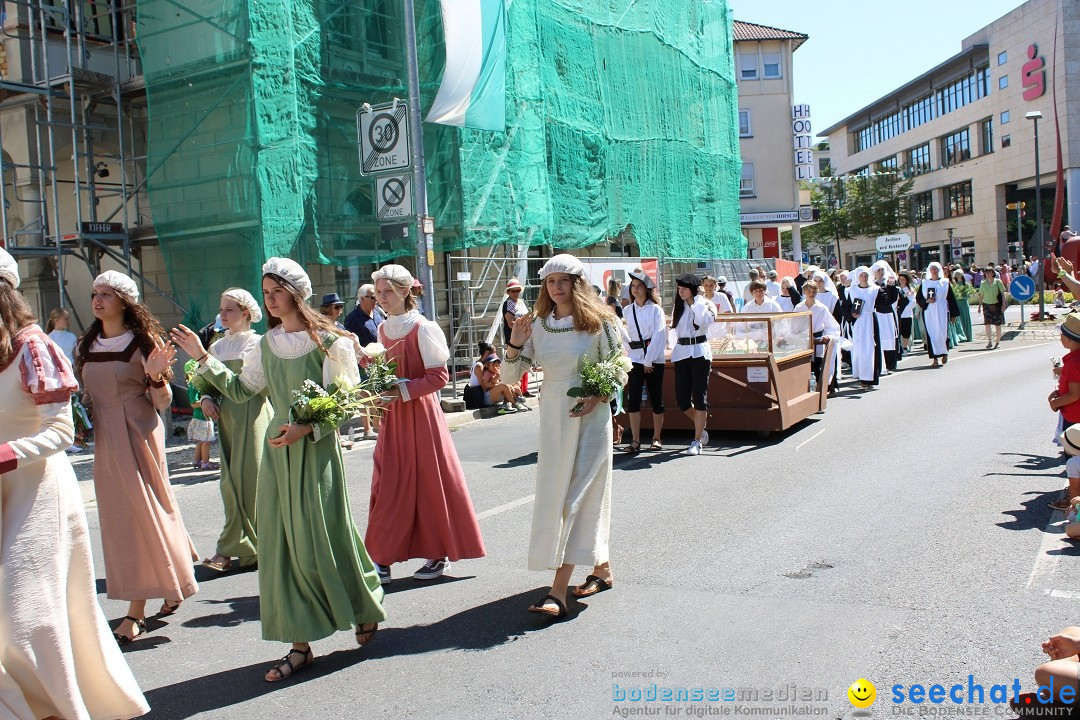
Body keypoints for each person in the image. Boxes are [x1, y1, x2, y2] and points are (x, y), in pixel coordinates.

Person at [172, 257, 385, 682]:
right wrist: (200, 358)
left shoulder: (330, 341)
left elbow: (345, 401)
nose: (270, 300)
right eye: (265, 293)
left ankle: (362, 603)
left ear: (296, 293)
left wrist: (306, 427)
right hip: (277, 451)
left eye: (276, 292)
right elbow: (239, 390)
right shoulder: (264, 345)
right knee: (283, 543)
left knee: (326, 534)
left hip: (315, 450)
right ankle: (300, 643)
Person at [0, 250, 150, 720]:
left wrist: (8, 454)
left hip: (37, 491)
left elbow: (62, 431)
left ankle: (59, 708)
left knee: (22, 615)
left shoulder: (33, 345)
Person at [76, 270, 199, 645]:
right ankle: (172, 576)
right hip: (105, 437)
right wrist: (80, 419)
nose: (98, 300)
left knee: (140, 514)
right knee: (120, 518)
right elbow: (86, 392)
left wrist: (156, 376)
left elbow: (161, 402)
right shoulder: (87, 343)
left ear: (124, 301)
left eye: (107, 294)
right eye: (95, 293)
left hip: (139, 431)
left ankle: (135, 611)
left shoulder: (144, 342)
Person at [503, 254, 622, 618]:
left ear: (577, 283)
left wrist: (598, 395)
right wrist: (514, 343)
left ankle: (558, 591)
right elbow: (510, 377)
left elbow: (620, 369)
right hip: (554, 417)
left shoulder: (601, 322)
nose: (556, 287)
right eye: (551, 281)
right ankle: (601, 567)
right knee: (559, 497)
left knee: (576, 498)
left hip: (591, 417)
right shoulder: (537, 324)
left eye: (563, 280)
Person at [365, 264, 486, 585]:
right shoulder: (382, 330)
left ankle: (436, 554)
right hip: (394, 417)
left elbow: (439, 377)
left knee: (429, 484)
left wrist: (400, 390)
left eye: (387, 291)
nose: (382, 297)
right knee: (387, 483)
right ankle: (381, 557)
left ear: (405, 291)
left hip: (420, 417)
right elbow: (384, 372)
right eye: (378, 292)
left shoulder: (424, 327)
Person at [198, 288, 273, 573]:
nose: (222, 315)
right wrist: (206, 397)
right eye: (221, 309)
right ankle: (239, 546)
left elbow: (262, 385)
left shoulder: (258, 343)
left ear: (245, 313)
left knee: (252, 481)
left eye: (229, 310)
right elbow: (204, 380)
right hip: (227, 417)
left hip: (254, 415)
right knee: (229, 482)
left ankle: (244, 546)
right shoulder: (216, 347)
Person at [621, 270, 666, 453]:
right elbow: (626, 334)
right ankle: (635, 440)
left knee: (656, 399)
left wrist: (649, 360)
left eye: (639, 286)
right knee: (633, 400)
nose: (635, 289)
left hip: (653, 358)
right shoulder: (627, 310)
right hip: (635, 358)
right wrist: (629, 351)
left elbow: (659, 335)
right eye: (633, 286)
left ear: (647, 289)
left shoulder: (655, 309)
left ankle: (656, 438)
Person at [671, 273, 716, 455]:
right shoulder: (678, 306)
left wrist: (694, 302)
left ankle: (697, 440)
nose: (681, 292)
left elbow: (703, 321)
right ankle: (701, 423)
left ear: (693, 289)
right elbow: (675, 330)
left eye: (684, 289)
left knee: (699, 396)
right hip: (682, 352)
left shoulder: (705, 304)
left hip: (699, 352)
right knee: (682, 399)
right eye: (679, 289)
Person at [843, 266, 899, 390]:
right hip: (858, 323)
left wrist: (891, 287)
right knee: (861, 350)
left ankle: (870, 378)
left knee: (871, 349)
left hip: (870, 321)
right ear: (858, 277)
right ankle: (862, 377)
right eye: (862, 275)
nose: (864, 277)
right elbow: (846, 307)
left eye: (866, 275)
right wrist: (851, 315)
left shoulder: (875, 290)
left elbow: (886, 302)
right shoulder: (851, 291)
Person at [343, 283, 382, 439]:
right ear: (361, 299)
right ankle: (367, 429)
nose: (375, 300)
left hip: (378, 360)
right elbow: (349, 342)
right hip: (361, 361)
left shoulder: (378, 314)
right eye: (372, 297)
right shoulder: (353, 319)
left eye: (376, 297)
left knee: (378, 392)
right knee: (365, 394)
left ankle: (377, 425)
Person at [795, 280, 841, 392]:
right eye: (809, 291)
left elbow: (832, 326)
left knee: (818, 366)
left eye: (814, 291)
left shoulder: (821, 308)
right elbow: (794, 325)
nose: (811, 294)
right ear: (805, 292)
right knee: (805, 366)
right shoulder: (799, 308)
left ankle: (820, 390)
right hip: (804, 341)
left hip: (818, 341)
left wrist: (829, 336)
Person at [916, 262, 960, 368]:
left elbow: (951, 299)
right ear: (929, 271)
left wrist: (953, 315)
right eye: (932, 269)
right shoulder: (925, 283)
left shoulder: (945, 282)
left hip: (942, 310)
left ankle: (944, 354)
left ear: (939, 270)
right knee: (931, 334)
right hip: (929, 311)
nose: (934, 271)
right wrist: (926, 301)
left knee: (942, 333)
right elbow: (919, 298)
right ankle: (935, 359)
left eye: (936, 269)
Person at [502, 278, 533, 398]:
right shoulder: (507, 303)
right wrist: (522, 324)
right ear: (508, 292)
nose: (515, 293)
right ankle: (516, 390)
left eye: (517, 290)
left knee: (525, 362)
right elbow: (510, 322)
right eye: (512, 291)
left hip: (525, 335)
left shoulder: (521, 302)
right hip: (514, 338)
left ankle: (524, 389)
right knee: (516, 364)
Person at [185, 358, 217, 470]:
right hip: (203, 418)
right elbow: (193, 403)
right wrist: (207, 402)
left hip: (200, 417)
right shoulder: (194, 385)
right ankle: (205, 462)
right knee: (206, 441)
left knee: (200, 441)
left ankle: (197, 460)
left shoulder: (194, 383)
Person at [870, 260, 901, 373]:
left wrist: (892, 287)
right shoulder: (872, 285)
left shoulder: (891, 283)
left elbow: (893, 299)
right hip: (877, 315)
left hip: (888, 315)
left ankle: (890, 364)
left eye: (882, 270)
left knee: (890, 339)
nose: (881, 272)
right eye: (878, 270)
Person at [977, 265, 1007, 349]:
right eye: (986, 272)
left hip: (997, 305)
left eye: (990, 272)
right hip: (986, 305)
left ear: (993, 273)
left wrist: (1003, 304)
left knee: (998, 324)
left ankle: (997, 342)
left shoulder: (998, 281)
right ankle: (990, 341)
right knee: (987, 324)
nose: (988, 273)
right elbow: (981, 295)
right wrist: (979, 306)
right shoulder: (983, 284)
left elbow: (1002, 293)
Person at [897, 271, 917, 356]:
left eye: (903, 279)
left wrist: (905, 309)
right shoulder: (897, 289)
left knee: (906, 332)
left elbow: (913, 302)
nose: (901, 281)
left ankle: (905, 348)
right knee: (899, 332)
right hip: (898, 314)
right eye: (900, 279)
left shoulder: (909, 290)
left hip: (906, 314)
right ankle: (900, 347)